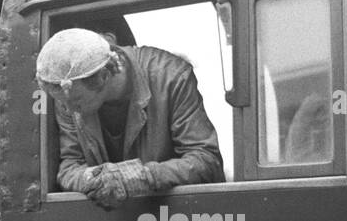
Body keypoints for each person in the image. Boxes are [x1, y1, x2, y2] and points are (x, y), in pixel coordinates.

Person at [36, 28, 225, 209]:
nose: (69, 110)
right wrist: (93, 178)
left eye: (76, 101)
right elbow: (69, 166)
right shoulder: (68, 92)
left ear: (103, 76)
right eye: (63, 104)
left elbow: (205, 159)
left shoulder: (170, 76)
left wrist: (143, 176)